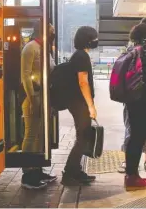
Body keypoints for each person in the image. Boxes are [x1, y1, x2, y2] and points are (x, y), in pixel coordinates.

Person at [119, 18, 146, 174]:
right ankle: (137, 171)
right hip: (145, 97)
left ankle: (129, 166)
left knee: (130, 130)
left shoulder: (129, 48)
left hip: (130, 97)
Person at [20, 23, 58, 189]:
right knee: (30, 135)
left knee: (39, 136)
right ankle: (28, 174)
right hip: (33, 98)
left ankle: (37, 168)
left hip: (43, 98)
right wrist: (33, 99)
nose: (53, 30)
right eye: (50, 28)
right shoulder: (30, 48)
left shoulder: (46, 49)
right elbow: (25, 76)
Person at [61, 26, 99, 186]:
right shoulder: (82, 56)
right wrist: (91, 106)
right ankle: (70, 172)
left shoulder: (79, 55)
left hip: (76, 101)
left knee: (82, 137)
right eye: (94, 38)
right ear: (87, 39)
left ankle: (75, 170)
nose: (96, 41)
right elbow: (83, 82)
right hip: (79, 103)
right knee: (82, 138)